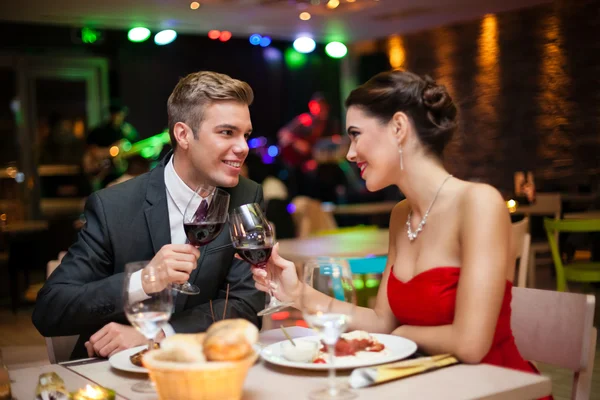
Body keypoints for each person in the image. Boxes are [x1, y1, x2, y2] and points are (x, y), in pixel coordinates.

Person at [252, 70, 552, 389]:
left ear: (398, 128)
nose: (350, 153)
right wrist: (296, 292)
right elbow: (381, 321)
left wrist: (400, 335)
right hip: (425, 386)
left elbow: (470, 344)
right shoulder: (401, 215)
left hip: (493, 388)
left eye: (355, 135)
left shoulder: (479, 203)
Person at [33, 71, 265, 360]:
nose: (243, 147)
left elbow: (247, 305)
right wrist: (143, 281)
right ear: (183, 135)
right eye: (227, 132)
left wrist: (160, 332)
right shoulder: (113, 206)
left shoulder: (246, 194)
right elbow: (50, 311)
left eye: (246, 135)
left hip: (204, 367)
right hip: (112, 372)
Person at [84, 101, 139, 189]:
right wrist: (109, 152)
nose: (118, 117)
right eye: (115, 114)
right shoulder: (99, 131)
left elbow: (135, 149)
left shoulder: (129, 132)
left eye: (120, 114)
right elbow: (92, 151)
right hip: (105, 172)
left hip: (122, 171)